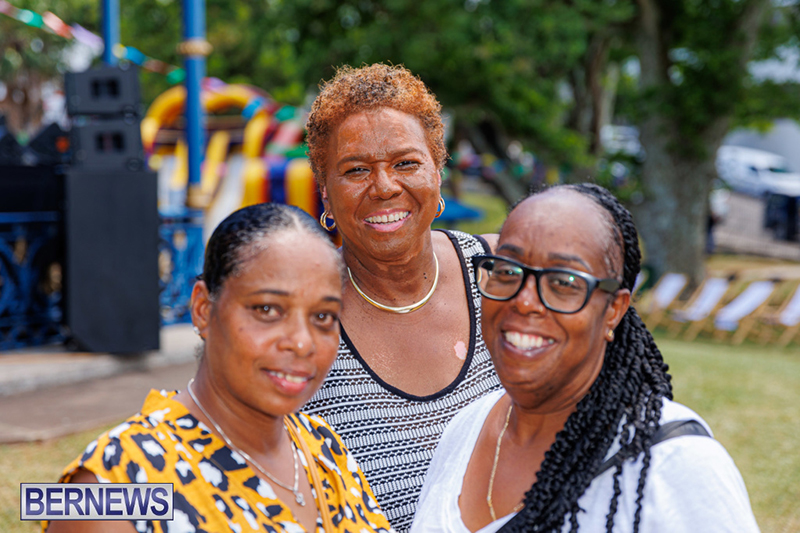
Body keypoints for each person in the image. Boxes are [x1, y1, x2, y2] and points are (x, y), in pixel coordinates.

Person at [411, 184, 759, 532]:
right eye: (508, 271)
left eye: (563, 282)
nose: (524, 301)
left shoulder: (674, 464)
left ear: (614, 310)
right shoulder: (468, 427)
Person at [45, 204, 393, 533]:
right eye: (267, 310)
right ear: (202, 308)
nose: (302, 343)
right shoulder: (111, 484)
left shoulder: (322, 447)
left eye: (323, 316)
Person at [302, 63, 501, 531]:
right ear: (325, 195)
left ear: (438, 172)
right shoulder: (301, 317)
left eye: (406, 163)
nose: (385, 186)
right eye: (356, 170)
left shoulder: (501, 277)